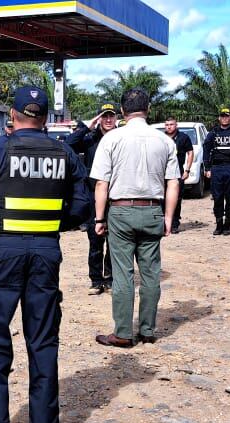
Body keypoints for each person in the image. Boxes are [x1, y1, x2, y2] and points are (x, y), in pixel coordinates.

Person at [0, 85, 91, 423]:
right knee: (43, 339)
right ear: (45, 117)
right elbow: (82, 205)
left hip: (3, 251)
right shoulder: (64, 152)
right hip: (46, 252)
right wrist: (51, 225)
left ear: (12, 116)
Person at [90, 88, 180, 348]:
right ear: (148, 109)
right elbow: (173, 183)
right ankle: (148, 330)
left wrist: (98, 219)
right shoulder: (165, 141)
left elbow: (101, 184)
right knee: (151, 274)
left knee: (123, 274)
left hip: (120, 211)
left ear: (122, 111)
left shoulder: (112, 139)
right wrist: (168, 217)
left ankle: (123, 332)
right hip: (153, 209)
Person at [67, 102, 119, 295]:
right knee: (95, 241)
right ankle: (96, 280)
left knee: (115, 241)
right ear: (99, 119)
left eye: (111, 116)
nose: (107, 120)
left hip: (115, 196)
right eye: (104, 116)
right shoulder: (90, 139)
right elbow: (68, 144)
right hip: (93, 197)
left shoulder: (121, 138)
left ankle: (112, 279)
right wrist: (87, 127)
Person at [201, 108, 230, 236]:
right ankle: (218, 225)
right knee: (217, 198)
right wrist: (207, 168)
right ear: (219, 118)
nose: (224, 118)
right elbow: (206, 150)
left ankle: (227, 225)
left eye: (227, 116)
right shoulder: (213, 133)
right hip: (217, 169)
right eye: (222, 116)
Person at [164, 116, 194, 233]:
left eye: (171, 124)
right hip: (162, 172)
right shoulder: (161, 137)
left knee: (177, 198)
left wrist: (187, 170)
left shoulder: (183, 137)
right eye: (167, 125)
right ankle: (163, 223)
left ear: (176, 125)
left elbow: (190, 153)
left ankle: (175, 223)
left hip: (178, 171)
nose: (169, 127)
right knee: (161, 198)